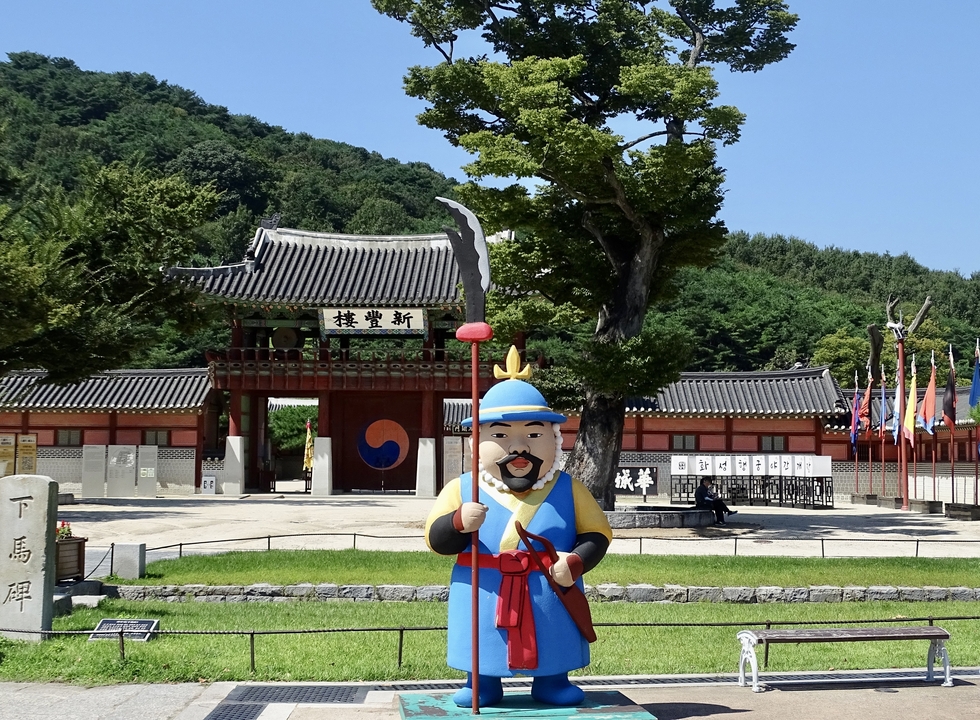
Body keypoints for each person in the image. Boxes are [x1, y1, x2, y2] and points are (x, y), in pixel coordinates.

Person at [425, 347, 612, 708]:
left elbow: (597, 534)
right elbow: (436, 539)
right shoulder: (464, 488)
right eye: (501, 436)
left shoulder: (568, 488)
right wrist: (458, 522)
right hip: (485, 585)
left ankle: (553, 682)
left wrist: (575, 561)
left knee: (551, 638)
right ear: (476, 442)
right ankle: (481, 683)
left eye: (533, 434)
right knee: (483, 640)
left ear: (554, 439)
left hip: (548, 586)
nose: (519, 447)